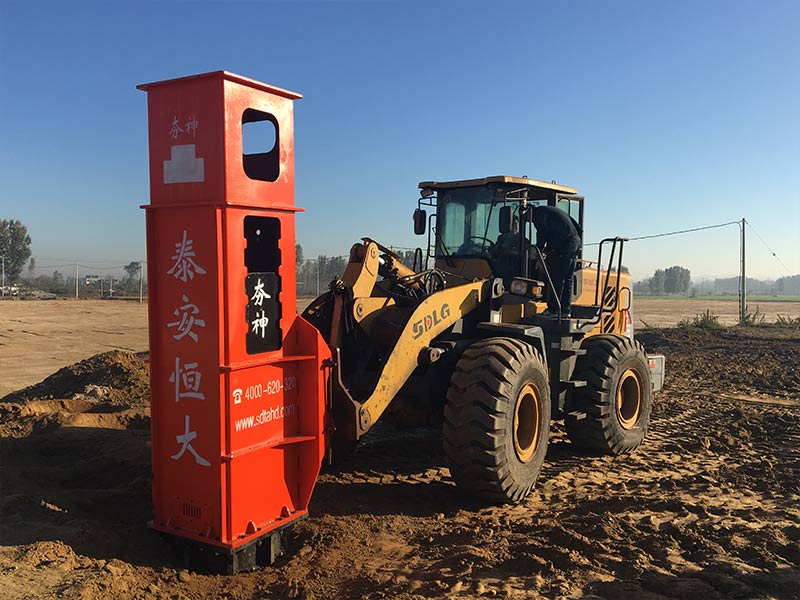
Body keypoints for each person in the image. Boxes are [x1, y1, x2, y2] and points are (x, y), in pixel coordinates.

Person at [530, 205, 582, 317]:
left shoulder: (538, 214)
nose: (531, 222)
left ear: (529, 212)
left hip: (565, 246)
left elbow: (542, 232)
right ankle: (565, 310)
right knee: (567, 278)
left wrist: (538, 249)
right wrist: (546, 250)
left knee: (557, 277)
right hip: (574, 242)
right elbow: (577, 227)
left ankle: (553, 310)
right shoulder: (551, 211)